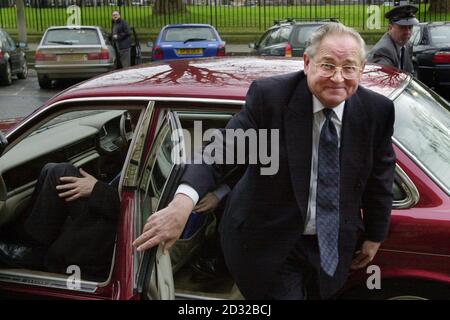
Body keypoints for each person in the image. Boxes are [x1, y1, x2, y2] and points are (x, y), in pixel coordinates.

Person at [133, 23, 396, 300]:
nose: (338, 78)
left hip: (332, 246)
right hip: (271, 243)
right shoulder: (270, 99)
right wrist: (182, 203)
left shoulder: (376, 111)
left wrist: (375, 235)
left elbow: (381, 177)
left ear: (362, 69)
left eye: (349, 68)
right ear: (307, 63)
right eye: (328, 65)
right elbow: (220, 150)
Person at [0, 163, 120, 280]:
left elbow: (127, 207)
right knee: (51, 169)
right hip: (113, 203)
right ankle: (28, 243)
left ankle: (34, 252)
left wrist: (96, 188)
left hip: (116, 227)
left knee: (59, 174)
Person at [367, 4, 419, 73]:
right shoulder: (383, 51)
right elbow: (387, 80)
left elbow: (410, 73)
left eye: (410, 27)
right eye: (402, 27)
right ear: (390, 28)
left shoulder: (407, 45)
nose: (407, 32)